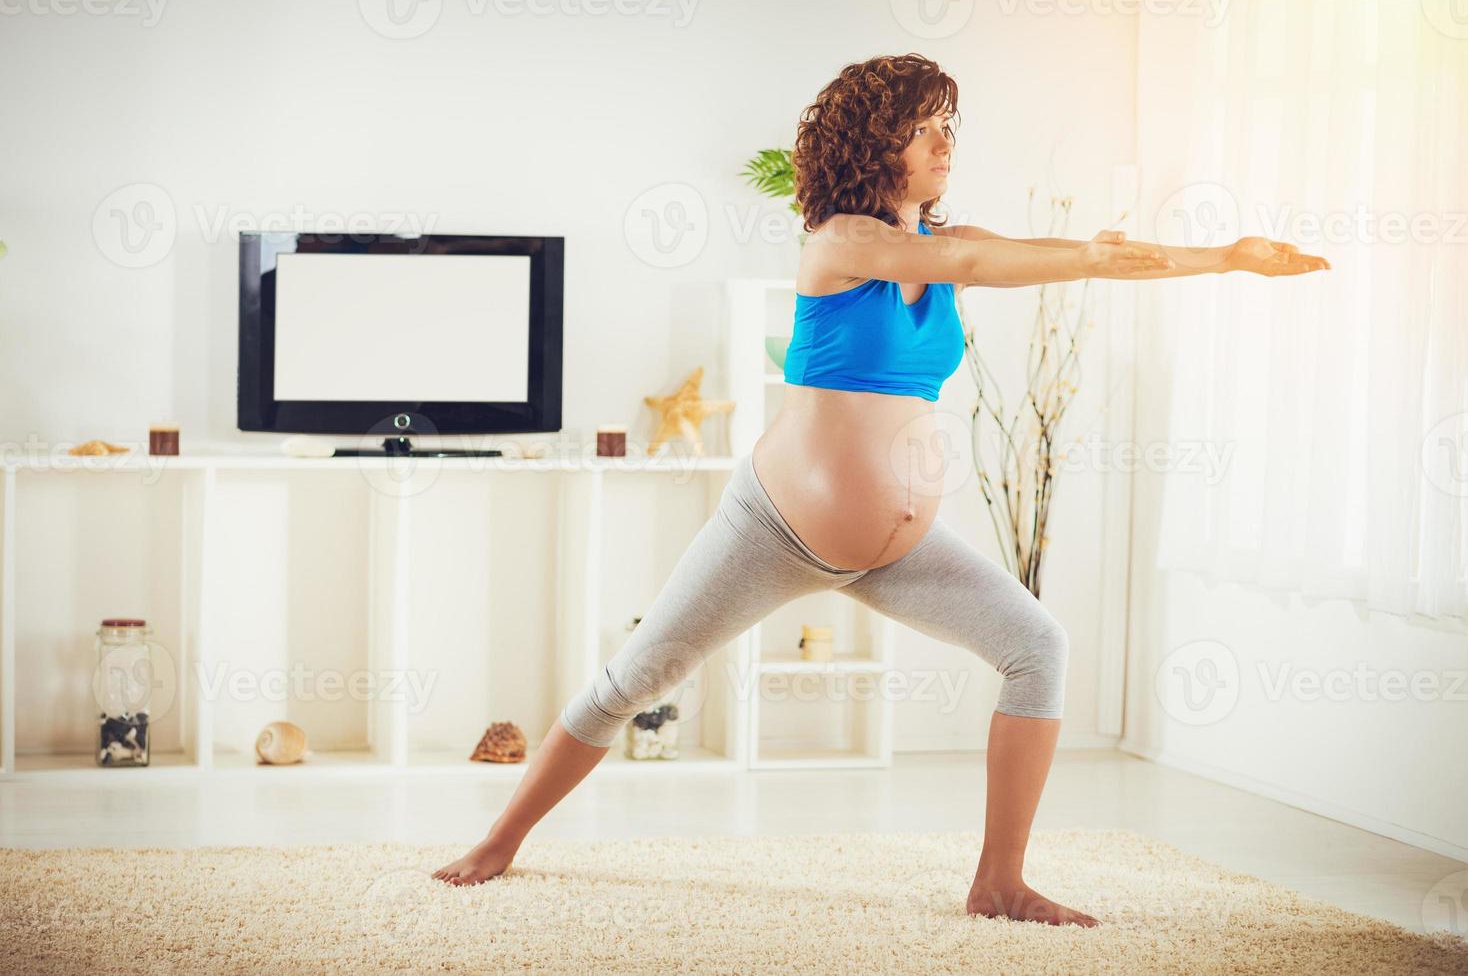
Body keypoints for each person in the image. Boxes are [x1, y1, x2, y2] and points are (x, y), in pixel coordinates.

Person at [433, 53, 1329, 925]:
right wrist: (1095, 251)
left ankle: (1000, 883)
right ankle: (500, 841)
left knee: (1038, 648)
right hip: (775, 530)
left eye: (949, 128)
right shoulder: (843, 243)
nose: (944, 146)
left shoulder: (952, 244)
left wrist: (1227, 256)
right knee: (634, 681)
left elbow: (1083, 259)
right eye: (922, 128)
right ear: (872, 143)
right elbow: (977, 270)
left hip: (895, 550)